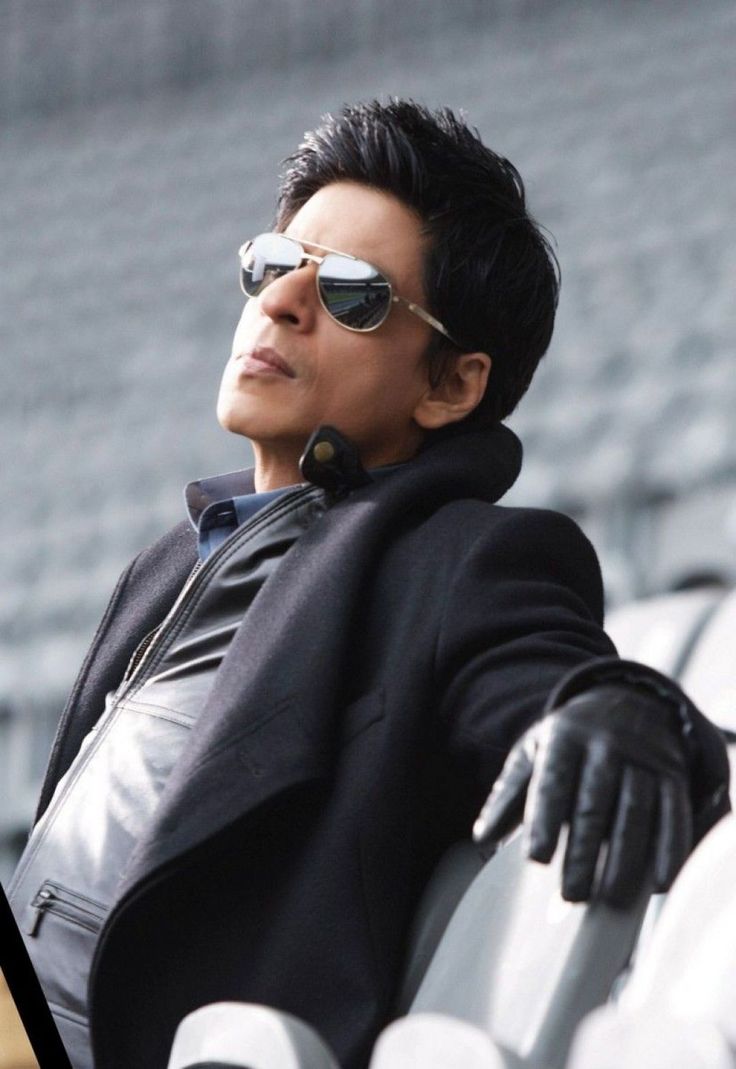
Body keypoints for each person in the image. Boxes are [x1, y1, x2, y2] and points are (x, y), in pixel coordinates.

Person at [8, 99, 729, 1069]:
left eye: (351, 293)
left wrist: (625, 708)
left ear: (449, 385)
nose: (281, 302)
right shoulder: (166, 563)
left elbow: (555, 681)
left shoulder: (459, 559)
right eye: (272, 265)